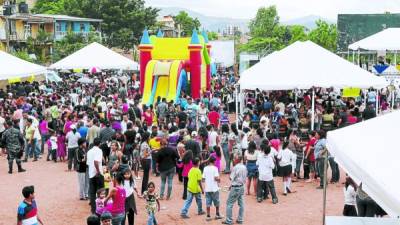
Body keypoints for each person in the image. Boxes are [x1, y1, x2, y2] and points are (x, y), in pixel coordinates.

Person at [222, 153, 247, 225]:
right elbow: (244, 179)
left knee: (229, 203)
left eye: (234, 158)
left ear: (236, 160)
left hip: (236, 188)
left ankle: (229, 220)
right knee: (241, 204)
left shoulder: (236, 167)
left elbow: (231, 178)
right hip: (241, 187)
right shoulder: (244, 167)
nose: (233, 159)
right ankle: (240, 219)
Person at [202, 156, 223, 221]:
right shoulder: (215, 168)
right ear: (214, 161)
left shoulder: (205, 168)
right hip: (214, 188)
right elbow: (216, 178)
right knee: (217, 202)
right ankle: (217, 214)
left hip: (207, 188)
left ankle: (208, 215)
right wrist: (219, 179)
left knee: (208, 202)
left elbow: (203, 179)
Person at [87, 138, 105, 214]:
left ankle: (93, 210)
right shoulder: (99, 151)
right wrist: (98, 171)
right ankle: (100, 210)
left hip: (91, 174)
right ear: (99, 144)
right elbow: (96, 161)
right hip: (98, 174)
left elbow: (88, 163)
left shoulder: (89, 151)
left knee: (92, 193)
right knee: (101, 192)